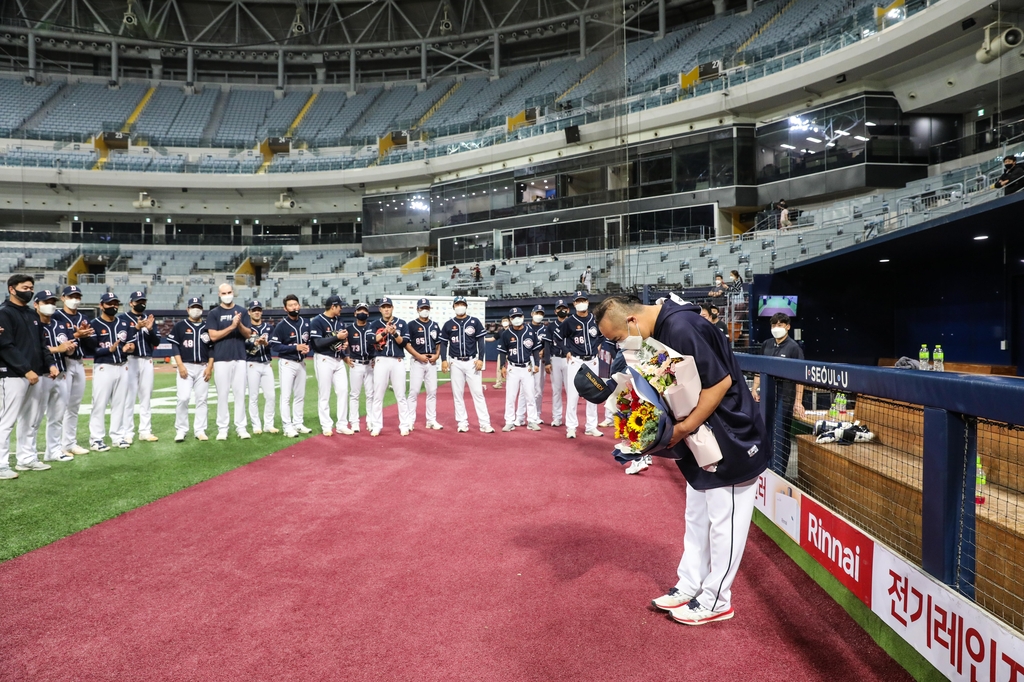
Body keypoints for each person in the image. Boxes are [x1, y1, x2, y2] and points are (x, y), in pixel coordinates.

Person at [594, 294, 769, 626]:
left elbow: (720, 384)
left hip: (730, 437)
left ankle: (718, 599)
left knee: (724, 523)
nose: (618, 346)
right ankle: (691, 584)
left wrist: (682, 428)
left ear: (631, 321)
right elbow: (667, 385)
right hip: (700, 439)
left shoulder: (681, 325)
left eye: (616, 338)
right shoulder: (657, 330)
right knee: (697, 518)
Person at [0, 275, 53, 477]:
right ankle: (1, 464)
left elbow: (41, 344)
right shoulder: (4, 313)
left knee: (30, 420)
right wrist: (25, 369)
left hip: (35, 374)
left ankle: (26, 458)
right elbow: (5, 346)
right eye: (25, 287)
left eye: (31, 287)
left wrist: (49, 364)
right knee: (6, 420)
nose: (29, 291)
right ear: (12, 289)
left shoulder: (32, 314)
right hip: (13, 374)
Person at [751, 312, 805, 476]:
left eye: (780, 325)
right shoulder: (766, 344)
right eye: (774, 325)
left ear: (788, 327)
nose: (776, 328)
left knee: (780, 434)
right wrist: (754, 388)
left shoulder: (794, 348)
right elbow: (759, 369)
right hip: (767, 396)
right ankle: (765, 469)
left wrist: (798, 401)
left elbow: (800, 377)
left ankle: (779, 472)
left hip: (785, 396)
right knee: (765, 432)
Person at [85, 293, 135, 451]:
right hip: (103, 366)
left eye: (115, 304)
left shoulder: (123, 323)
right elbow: (91, 350)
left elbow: (131, 343)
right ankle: (96, 439)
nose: (113, 306)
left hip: (123, 365)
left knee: (119, 404)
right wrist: (109, 349)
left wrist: (129, 348)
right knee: (99, 404)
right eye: (109, 304)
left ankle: (118, 436)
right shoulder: (94, 324)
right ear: (101, 306)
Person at [439, 296, 494, 433]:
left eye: (462, 304)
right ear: (453, 307)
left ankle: (484, 423)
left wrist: (481, 358)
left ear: (466, 306)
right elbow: (444, 343)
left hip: (471, 361)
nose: (460, 306)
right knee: (458, 394)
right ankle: (462, 422)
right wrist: (444, 360)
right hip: (455, 361)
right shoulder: (448, 324)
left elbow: (481, 341)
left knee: (478, 393)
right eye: (457, 304)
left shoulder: (474, 322)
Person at [34, 291, 76, 463]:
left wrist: (69, 349)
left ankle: (53, 450)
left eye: (52, 301)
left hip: (61, 373)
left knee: (57, 416)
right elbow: (34, 348)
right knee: (34, 417)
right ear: (36, 304)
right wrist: (57, 349)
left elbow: (65, 346)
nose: (50, 304)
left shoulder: (60, 325)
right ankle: (27, 455)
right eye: (46, 301)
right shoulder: (33, 325)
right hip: (41, 374)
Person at [207, 283, 252, 441]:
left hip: (239, 357)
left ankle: (241, 427)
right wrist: (232, 326)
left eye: (229, 292)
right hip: (221, 359)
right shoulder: (214, 313)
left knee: (240, 394)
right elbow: (213, 336)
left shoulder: (243, 311)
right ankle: (222, 428)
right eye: (224, 293)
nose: (227, 295)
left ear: (234, 292)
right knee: (223, 395)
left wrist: (239, 325)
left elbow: (248, 334)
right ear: (219, 295)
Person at [556, 291, 604, 439]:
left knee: (592, 393)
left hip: (592, 360)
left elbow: (601, 335)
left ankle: (591, 426)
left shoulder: (594, 319)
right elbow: (557, 337)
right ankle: (571, 427)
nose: (581, 302)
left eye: (583, 300)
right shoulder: (569, 321)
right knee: (573, 393)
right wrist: (566, 351)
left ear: (588, 302)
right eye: (578, 301)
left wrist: (598, 345)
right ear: (575, 304)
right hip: (576, 361)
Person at [52, 285, 93, 457]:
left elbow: (90, 345)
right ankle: (56, 445)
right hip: (62, 362)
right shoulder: (56, 316)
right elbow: (54, 340)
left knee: (74, 406)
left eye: (77, 296)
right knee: (60, 405)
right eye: (71, 296)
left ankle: (69, 443)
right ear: (63, 298)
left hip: (78, 361)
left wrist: (87, 335)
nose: (74, 299)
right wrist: (76, 336)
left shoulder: (83, 317)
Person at [167, 297, 214, 442]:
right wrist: (180, 365)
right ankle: (181, 430)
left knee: (202, 399)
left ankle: (200, 430)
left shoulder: (207, 327)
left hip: (203, 366)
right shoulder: (180, 326)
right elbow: (175, 346)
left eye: (198, 306)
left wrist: (210, 367)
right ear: (187, 309)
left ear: (202, 309)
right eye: (193, 306)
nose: (195, 309)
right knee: (183, 398)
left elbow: (212, 348)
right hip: (186, 365)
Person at [367, 297, 413, 437]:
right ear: (380, 309)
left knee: (400, 395)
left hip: (397, 360)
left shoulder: (401, 323)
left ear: (392, 308)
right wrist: (385, 332)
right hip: (381, 359)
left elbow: (404, 342)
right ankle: (376, 425)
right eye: (384, 307)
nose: (386, 309)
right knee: (378, 394)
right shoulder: (375, 324)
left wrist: (394, 333)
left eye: (388, 306)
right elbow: (370, 340)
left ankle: (404, 425)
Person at [120, 290, 160, 444]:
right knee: (129, 397)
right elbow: (122, 339)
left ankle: (145, 430)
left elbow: (156, 341)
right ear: (131, 303)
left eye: (143, 301)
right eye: (138, 301)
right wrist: (136, 328)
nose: (141, 303)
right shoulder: (123, 319)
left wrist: (149, 329)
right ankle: (127, 432)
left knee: (146, 396)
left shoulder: (149, 318)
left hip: (147, 359)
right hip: (131, 360)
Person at [310, 294, 353, 437]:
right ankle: (326, 425)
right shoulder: (317, 321)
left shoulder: (339, 322)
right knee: (325, 394)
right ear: (333, 306)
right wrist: (337, 338)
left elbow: (339, 343)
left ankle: (341, 424)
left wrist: (344, 347)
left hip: (338, 360)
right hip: (323, 359)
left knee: (343, 391)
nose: (342, 308)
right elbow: (317, 343)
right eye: (340, 306)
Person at [270, 294, 311, 438]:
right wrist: (295, 348)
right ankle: (287, 426)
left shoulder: (306, 323)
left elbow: (309, 341)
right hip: (287, 363)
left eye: (296, 304)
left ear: (299, 305)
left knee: (300, 395)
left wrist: (307, 348)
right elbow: (275, 346)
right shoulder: (281, 325)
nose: (294, 307)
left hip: (301, 363)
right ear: (285, 308)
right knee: (286, 396)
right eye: (291, 305)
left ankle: (298, 423)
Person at [498, 307, 542, 432]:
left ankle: (532, 420)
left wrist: (537, 363)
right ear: (510, 319)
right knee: (510, 396)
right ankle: (509, 421)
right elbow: (502, 351)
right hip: (512, 368)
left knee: (530, 395)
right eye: (513, 317)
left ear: (523, 317)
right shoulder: (506, 333)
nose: (516, 319)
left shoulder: (530, 331)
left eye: (518, 316)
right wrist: (502, 366)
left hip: (527, 367)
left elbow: (536, 349)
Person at [406, 298, 443, 431]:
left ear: (430, 309)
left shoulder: (435, 325)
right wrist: (418, 356)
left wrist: (437, 355)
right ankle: (410, 421)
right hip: (417, 361)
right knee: (414, 391)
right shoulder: (411, 325)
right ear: (417, 310)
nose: (424, 310)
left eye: (426, 307)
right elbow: (407, 344)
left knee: (432, 391)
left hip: (431, 361)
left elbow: (439, 344)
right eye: (422, 308)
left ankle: (431, 420)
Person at [244, 299, 277, 435]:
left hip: (266, 363)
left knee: (271, 396)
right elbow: (242, 346)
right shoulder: (246, 328)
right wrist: (255, 344)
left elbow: (274, 344)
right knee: (254, 396)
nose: (256, 312)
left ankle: (269, 424)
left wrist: (265, 343)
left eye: (258, 310)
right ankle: (256, 425)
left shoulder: (269, 327)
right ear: (249, 312)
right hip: (252, 363)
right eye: (254, 310)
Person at [346, 303, 376, 433]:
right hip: (356, 364)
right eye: (359, 310)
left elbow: (378, 344)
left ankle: (370, 420)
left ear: (368, 314)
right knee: (354, 394)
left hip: (370, 364)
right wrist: (345, 356)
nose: (362, 313)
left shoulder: (372, 327)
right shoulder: (349, 329)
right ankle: (354, 422)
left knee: (371, 394)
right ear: (355, 313)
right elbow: (341, 344)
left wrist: (375, 357)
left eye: (364, 311)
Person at [516, 305, 548, 426]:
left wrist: (543, 351)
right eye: (537, 313)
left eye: (541, 313)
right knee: (525, 389)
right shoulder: (525, 328)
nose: (538, 315)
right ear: (532, 313)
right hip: (528, 360)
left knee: (538, 390)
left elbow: (548, 344)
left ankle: (537, 414)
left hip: (540, 360)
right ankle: (520, 416)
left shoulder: (545, 329)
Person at [544, 299, 570, 428]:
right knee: (556, 389)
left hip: (569, 359)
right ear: (555, 311)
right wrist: (547, 361)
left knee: (571, 390)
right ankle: (557, 417)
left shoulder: (572, 323)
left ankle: (571, 419)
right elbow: (547, 345)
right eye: (559, 308)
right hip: (555, 358)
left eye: (564, 308)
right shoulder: (551, 326)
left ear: (568, 310)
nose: (561, 310)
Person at [493, 316, 510, 389]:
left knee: (511, 368)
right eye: (503, 321)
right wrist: (483, 339)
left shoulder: (513, 330)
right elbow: (493, 338)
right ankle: (499, 383)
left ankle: (511, 383)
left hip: (511, 352)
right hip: (502, 352)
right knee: (499, 368)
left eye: (506, 320)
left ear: (509, 321)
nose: (505, 322)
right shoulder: (500, 331)